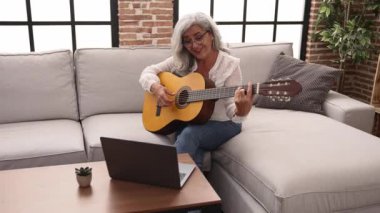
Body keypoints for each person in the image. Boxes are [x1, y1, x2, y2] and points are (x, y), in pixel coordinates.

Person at [139, 12, 253, 170]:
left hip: (224, 123)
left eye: (199, 37)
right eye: (187, 41)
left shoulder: (230, 65)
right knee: (186, 132)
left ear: (211, 34)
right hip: (194, 121)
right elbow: (147, 72)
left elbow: (232, 112)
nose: (194, 45)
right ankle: (193, 188)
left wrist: (241, 110)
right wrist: (157, 88)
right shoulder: (183, 60)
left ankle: (165, 180)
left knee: (189, 134)